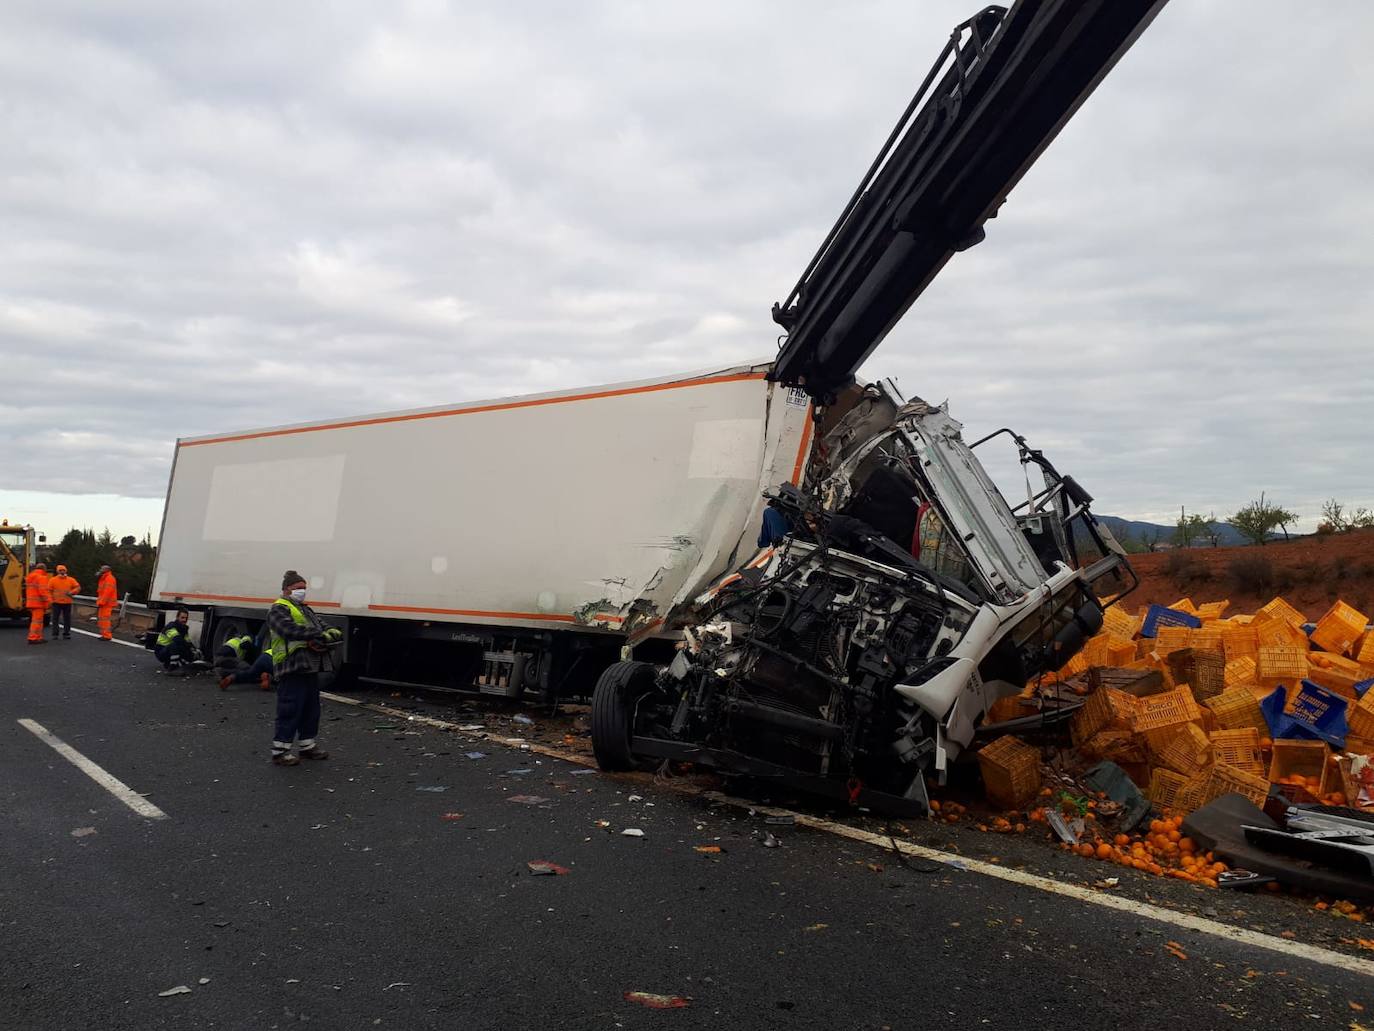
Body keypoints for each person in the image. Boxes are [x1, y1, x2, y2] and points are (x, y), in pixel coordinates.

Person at [267, 571, 341, 766]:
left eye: (304, 588)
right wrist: (319, 635)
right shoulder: (278, 609)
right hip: (291, 666)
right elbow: (289, 630)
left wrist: (329, 633)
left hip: (309, 666)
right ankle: (280, 751)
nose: (302, 592)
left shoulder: (305, 610)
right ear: (286, 589)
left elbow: (326, 628)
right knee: (290, 708)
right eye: (297, 588)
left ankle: (307, 745)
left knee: (311, 708)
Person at [216, 624, 273, 691]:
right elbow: (245, 645)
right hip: (273, 660)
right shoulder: (247, 640)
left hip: (265, 655)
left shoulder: (238, 639)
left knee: (250, 673)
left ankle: (231, 677)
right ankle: (267, 677)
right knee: (246, 668)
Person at [48, 564, 80, 640]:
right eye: (60, 570)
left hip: (67, 602)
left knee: (67, 619)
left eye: (63, 570)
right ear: (57, 571)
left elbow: (78, 587)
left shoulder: (71, 580)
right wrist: (50, 601)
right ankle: (55, 634)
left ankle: (66, 633)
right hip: (56, 602)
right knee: (55, 619)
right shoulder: (53, 580)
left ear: (66, 571)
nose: (62, 572)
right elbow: (49, 591)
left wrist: (72, 592)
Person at [24, 562, 50, 645]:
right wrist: (49, 601)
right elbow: (43, 591)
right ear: (44, 569)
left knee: (37, 621)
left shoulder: (31, 577)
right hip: (38, 603)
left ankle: (38, 637)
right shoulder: (41, 577)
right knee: (36, 622)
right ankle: (33, 637)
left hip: (32, 602)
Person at [96, 565, 118, 641]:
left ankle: (107, 635)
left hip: (107, 603)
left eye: (102, 568)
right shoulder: (104, 578)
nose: (100, 569)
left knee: (105, 619)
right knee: (102, 619)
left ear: (106, 570)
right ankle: (104, 634)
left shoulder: (109, 578)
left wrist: (102, 602)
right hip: (104, 602)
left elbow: (107, 592)